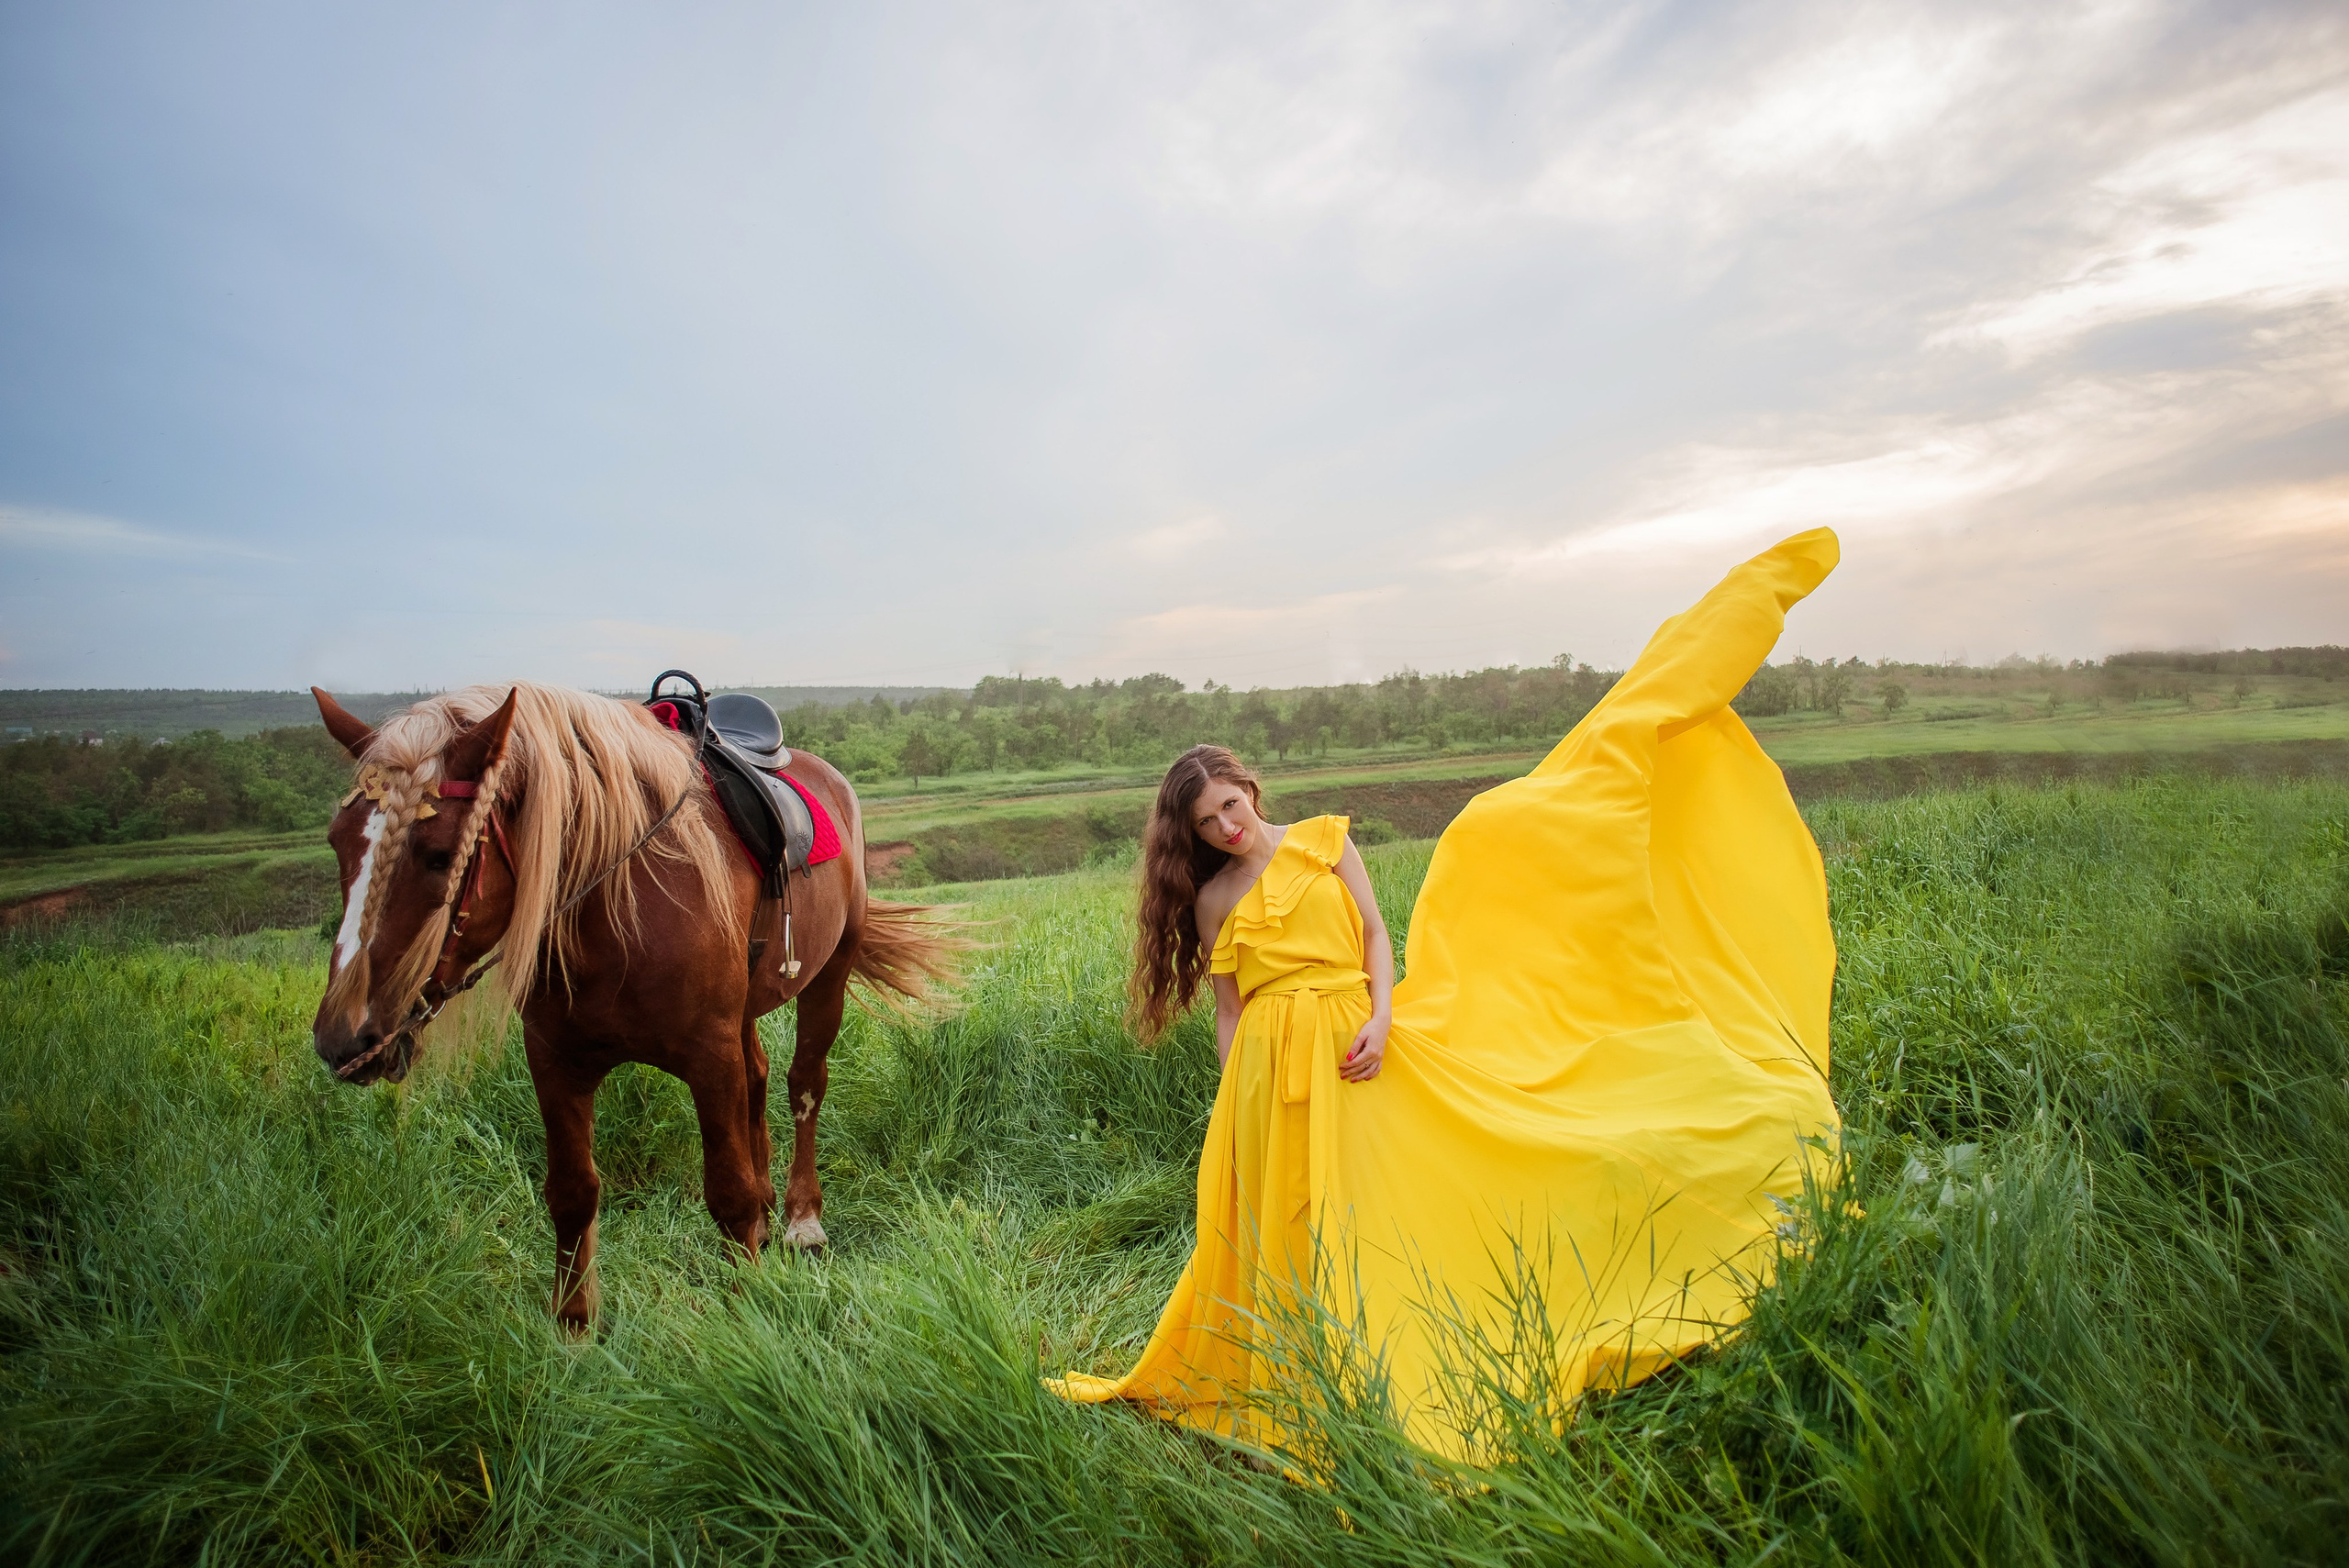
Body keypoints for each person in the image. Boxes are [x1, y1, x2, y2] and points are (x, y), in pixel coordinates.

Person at [1052, 529, 1844, 1461]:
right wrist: (1238, 1089)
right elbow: (1229, 1006)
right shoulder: (1213, 899)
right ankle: (1292, 1352)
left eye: (1231, 803)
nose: (1227, 826)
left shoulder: (1322, 841)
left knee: (1383, 1197)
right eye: (1207, 821)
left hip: (1351, 1035)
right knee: (1283, 1215)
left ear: (1249, 785)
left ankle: (1391, 1343)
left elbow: (1377, 936)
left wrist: (1382, 1016)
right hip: (1269, 1064)